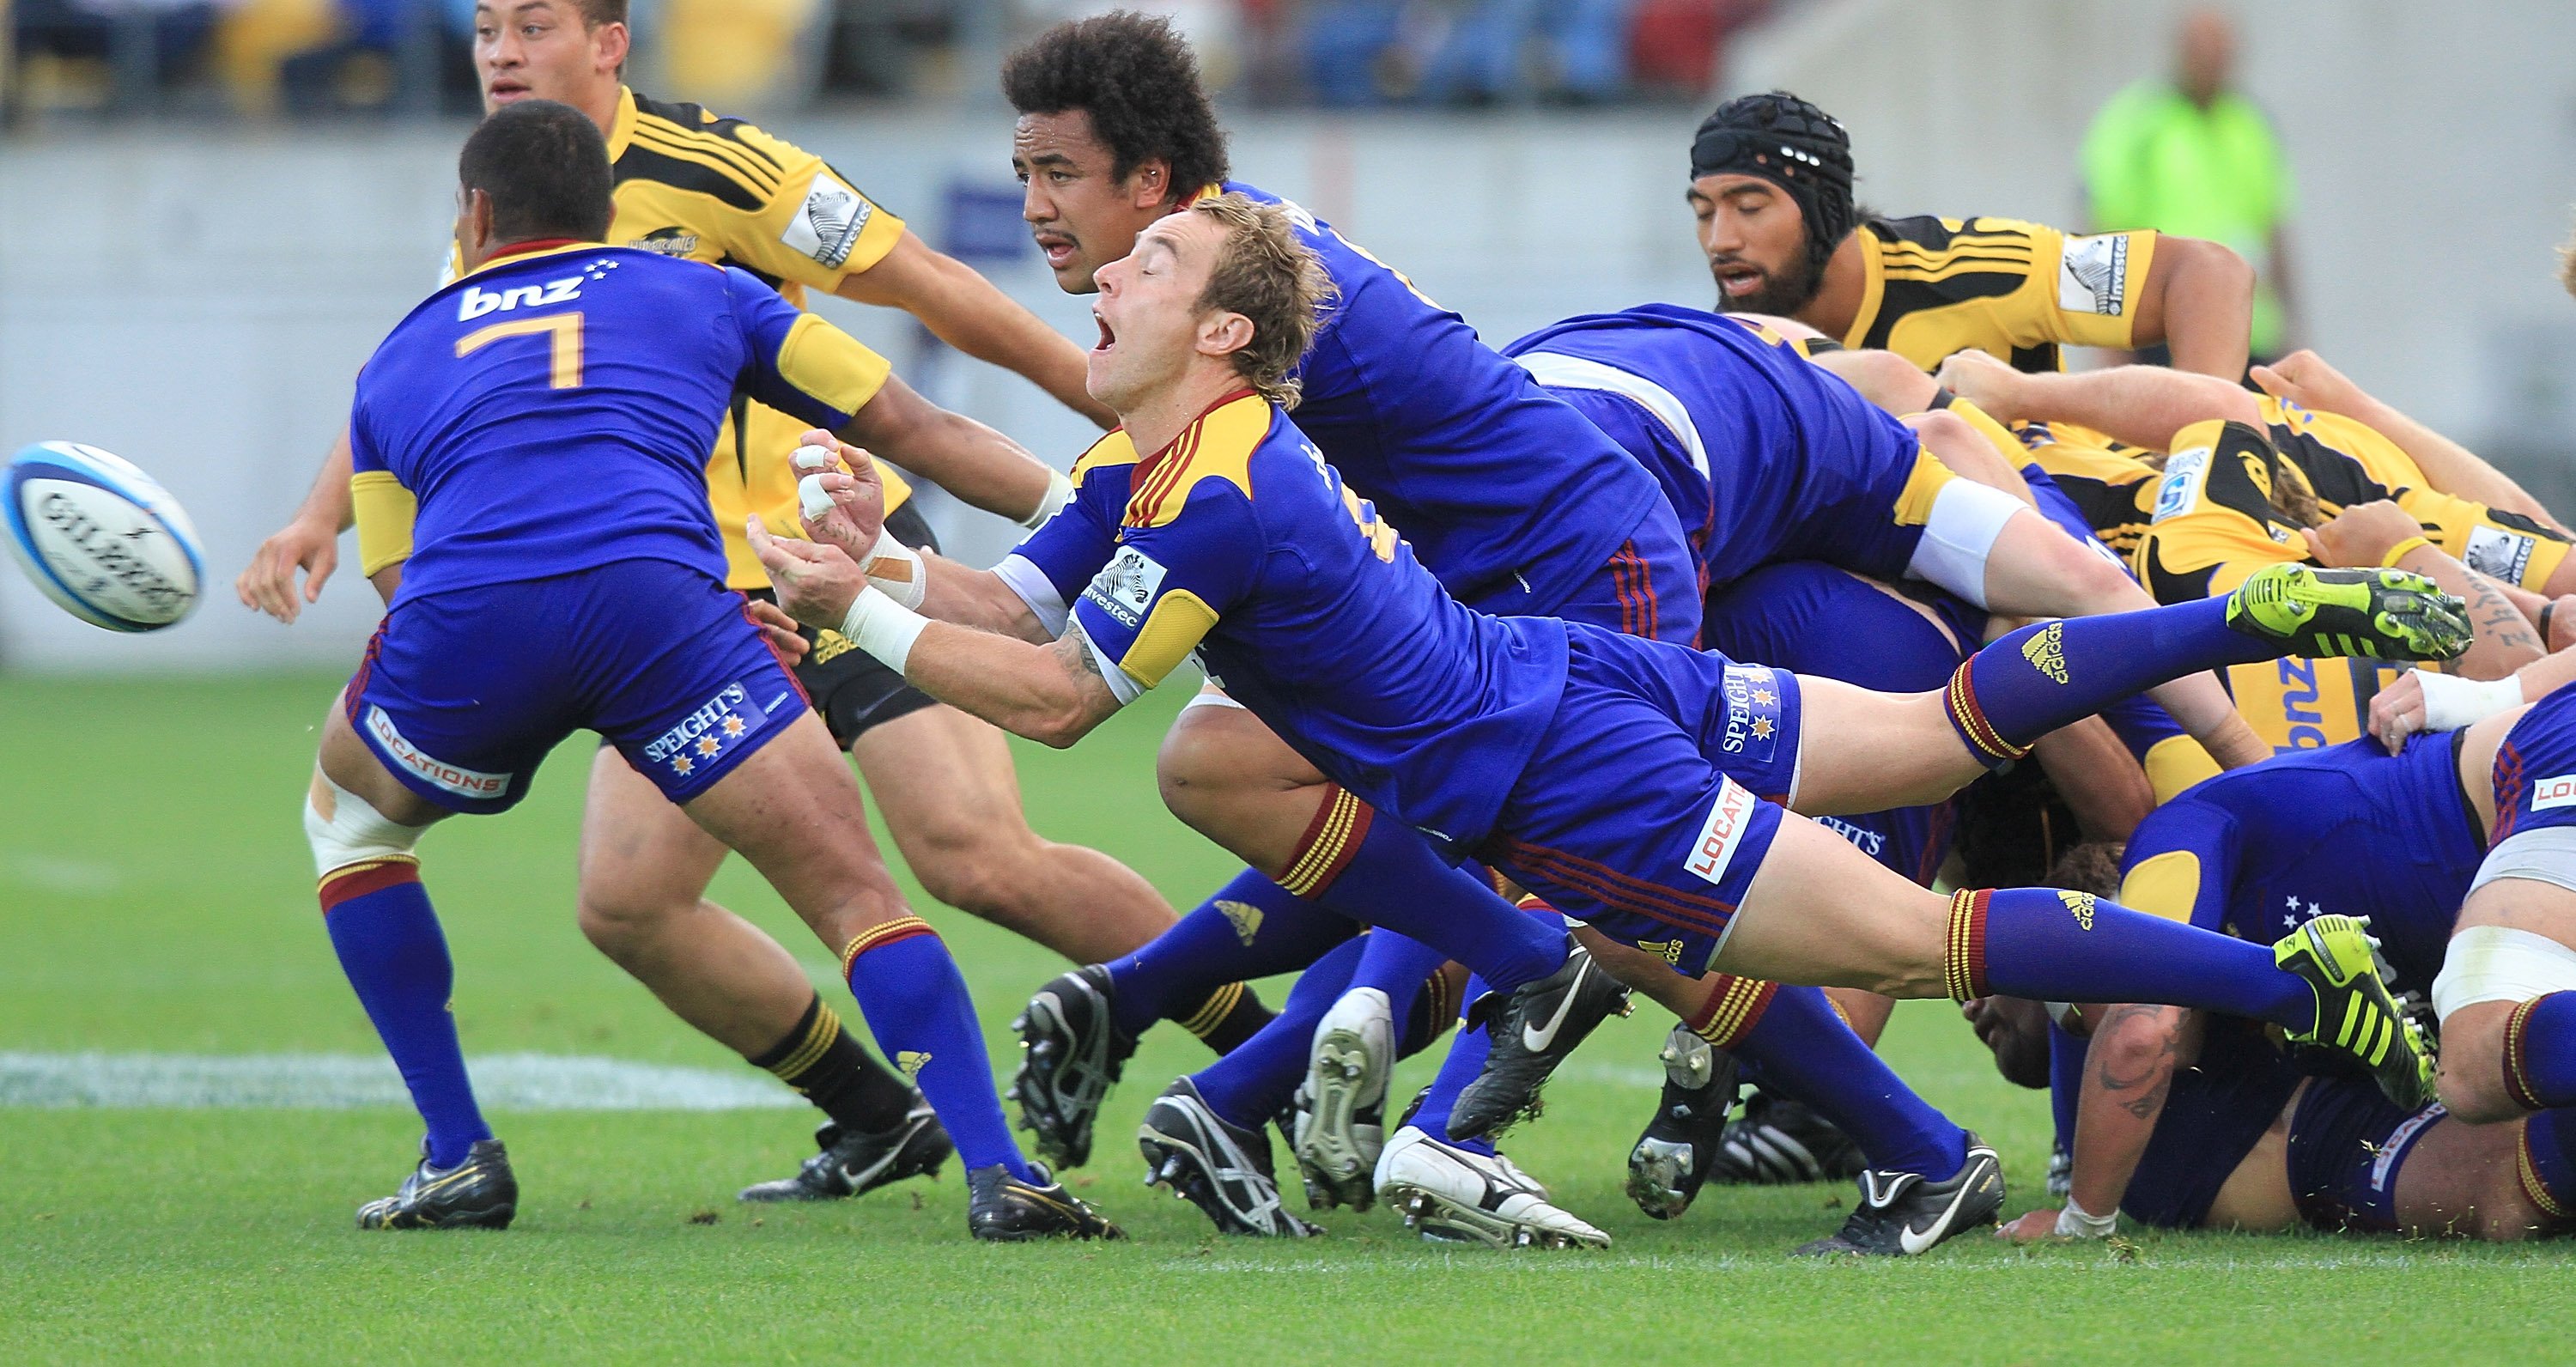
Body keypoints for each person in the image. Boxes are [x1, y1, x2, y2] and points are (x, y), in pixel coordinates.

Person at [754, 190, 2464, 1255]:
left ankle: (2265, 984)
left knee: (1928, 934)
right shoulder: (1169, 460)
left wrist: (854, 610)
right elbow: (1029, 617)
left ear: (1216, 329)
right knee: (1943, 725)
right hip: (1579, 676)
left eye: (1148, 256)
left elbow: (1055, 705)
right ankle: (2243, 611)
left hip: (1563, 768)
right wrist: (886, 562)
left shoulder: (1212, 489)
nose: (1101, 276)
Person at [235, 0, 1251, 1206]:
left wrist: (1121, 428)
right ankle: (879, 1118)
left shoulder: (720, 166)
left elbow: (929, 289)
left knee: (976, 859)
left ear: (609, 43)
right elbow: (422, 393)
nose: (503, 52)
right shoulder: (505, 228)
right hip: (681, 608)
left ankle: (1267, 1055)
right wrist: (313, 517)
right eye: (486, 30)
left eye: (533, 25)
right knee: (630, 906)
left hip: (829, 556)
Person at [995, 12, 1701, 1208]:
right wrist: (874, 585)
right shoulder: (1210, 278)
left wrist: (874, 599)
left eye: (1058, 174)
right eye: (1024, 175)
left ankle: (1230, 1060)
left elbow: (1096, 559)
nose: (1034, 207)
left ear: (1152, 184)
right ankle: (1257, 1080)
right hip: (1465, 588)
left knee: (1585, 865)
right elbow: (1061, 558)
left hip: (1578, 565)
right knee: (1354, 811)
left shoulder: (1230, 299)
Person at [1688, 90, 2257, 378]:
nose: (1721, 241)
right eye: (1705, 213)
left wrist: (2205, 453)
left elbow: (2206, 272)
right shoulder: (1726, 359)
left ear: (1825, 210)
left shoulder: (1980, 268)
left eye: (1749, 207)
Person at [2081, 7, 2299, 364]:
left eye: (2221, 53)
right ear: (2179, 52)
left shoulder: (2251, 126)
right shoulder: (2136, 124)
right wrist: (2107, 341)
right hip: (2164, 327)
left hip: (2248, 329)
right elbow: (2102, 234)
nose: (2212, 62)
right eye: (2202, 51)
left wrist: (2291, 330)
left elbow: (2274, 230)